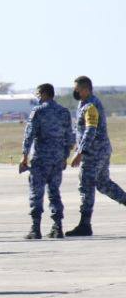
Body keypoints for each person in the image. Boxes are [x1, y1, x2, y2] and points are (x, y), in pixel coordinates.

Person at [67, 75, 126, 237]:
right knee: (103, 183)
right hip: (99, 150)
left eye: (77, 89)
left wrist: (80, 152)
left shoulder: (91, 106)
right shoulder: (83, 104)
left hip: (94, 152)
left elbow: (90, 130)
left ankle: (85, 225)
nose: (75, 91)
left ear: (86, 89)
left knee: (87, 184)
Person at [20, 83, 74, 239]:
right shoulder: (64, 112)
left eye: (38, 93)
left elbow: (29, 135)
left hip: (40, 158)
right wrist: (64, 156)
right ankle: (58, 227)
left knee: (36, 193)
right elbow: (69, 138)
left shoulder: (38, 111)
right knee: (54, 192)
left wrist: (24, 157)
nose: (37, 97)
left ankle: (35, 228)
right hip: (57, 159)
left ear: (43, 94)